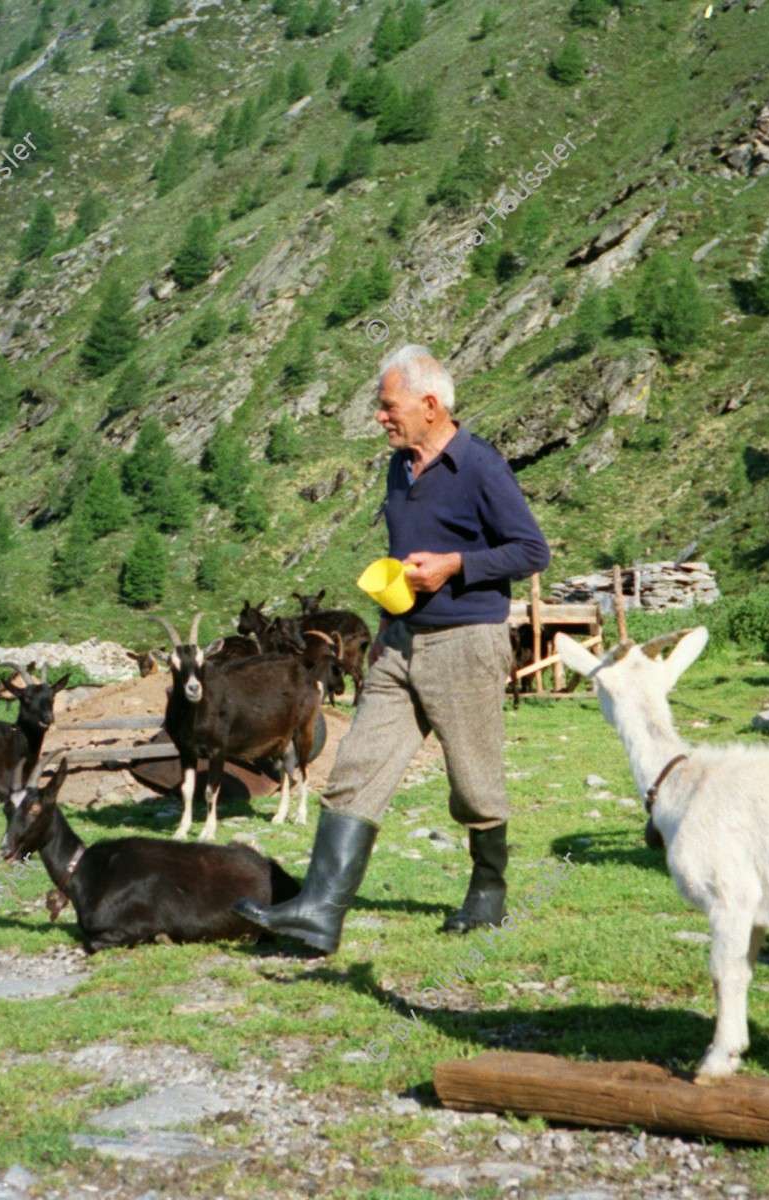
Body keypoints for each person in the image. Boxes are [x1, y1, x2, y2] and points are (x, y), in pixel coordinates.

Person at [234, 344, 550, 953]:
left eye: (387, 405)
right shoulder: (397, 467)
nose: (380, 417)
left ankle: (488, 895)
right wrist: (383, 630)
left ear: (430, 406)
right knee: (356, 767)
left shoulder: (480, 466)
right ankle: (320, 913)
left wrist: (456, 565)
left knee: (473, 777)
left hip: (466, 642)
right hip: (400, 643)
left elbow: (532, 551)